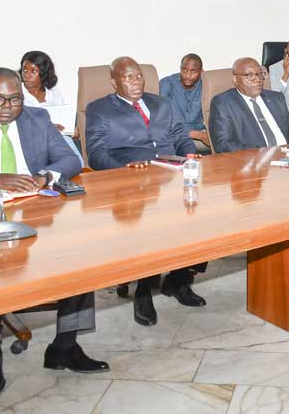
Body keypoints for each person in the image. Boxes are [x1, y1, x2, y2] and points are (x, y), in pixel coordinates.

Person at [0, 68, 108, 396]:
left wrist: (45, 176)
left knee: (79, 258)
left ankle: (64, 346)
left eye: (15, 99)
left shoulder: (37, 119)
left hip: (37, 212)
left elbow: (69, 159)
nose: (7, 106)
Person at [85, 57, 205, 327]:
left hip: (170, 176)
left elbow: (179, 134)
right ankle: (143, 291)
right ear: (114, 82)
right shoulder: (100, 109)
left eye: (138, 76)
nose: (136, 82)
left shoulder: (162, 103)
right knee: (148, 225)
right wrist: (124, 170)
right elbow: (96, 153)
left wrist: (189, 153)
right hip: (130, 183)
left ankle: (178, 280)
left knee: (201, 212)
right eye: (128, 77)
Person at [209, 57, 289, 153]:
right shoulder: (223, 103)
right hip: (253, 158)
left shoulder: (277, 98)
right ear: (235, 80)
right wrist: (259, 154)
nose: (257, 79)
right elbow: (223, 145)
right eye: (250, 75)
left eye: (260, 74)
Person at [20, 50, 82, 165]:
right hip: (31, 141)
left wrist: (72, 129)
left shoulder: (53, 92)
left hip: (57, 138)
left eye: (33, 71)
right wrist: (47, 127)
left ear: (43, 73)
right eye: (24, 70)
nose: (27, 75)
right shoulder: (17, 93)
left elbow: (63, 116)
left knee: (67, 143)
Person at [159, 53, 210, 155]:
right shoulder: (166, 84)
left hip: (200, 130)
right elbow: (164, 118)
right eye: (184, 70)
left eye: (193, 71)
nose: (188, 76)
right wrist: (197, 135)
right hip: (174, 133)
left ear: (201, 72)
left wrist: (205, 134)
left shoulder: (206, 84)